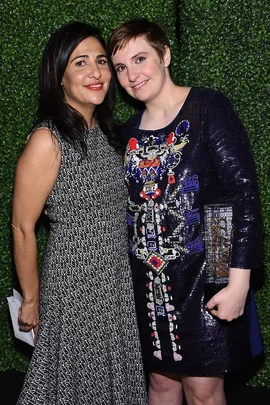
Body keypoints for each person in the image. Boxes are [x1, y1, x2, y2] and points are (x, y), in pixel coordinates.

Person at [108, 18, 263, 405]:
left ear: (165, 55)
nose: (132, 75)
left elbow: (239, 196)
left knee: (202, 390)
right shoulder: (127, 131)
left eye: (140, 58)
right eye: (121, 68)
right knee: (161, 384)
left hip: (206, 276)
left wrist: (236, 281)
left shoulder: (206, 105)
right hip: (148, 286)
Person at [11, 21, 147, 405]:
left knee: (111, 382)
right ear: (59, 78)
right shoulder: (47, 139)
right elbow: (22, 227)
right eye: (80, 63)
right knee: (74, 385)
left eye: (101, 61)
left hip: (115, 280)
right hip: (74, 283)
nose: (96, 72)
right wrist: (32, 301)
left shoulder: (108, 134)